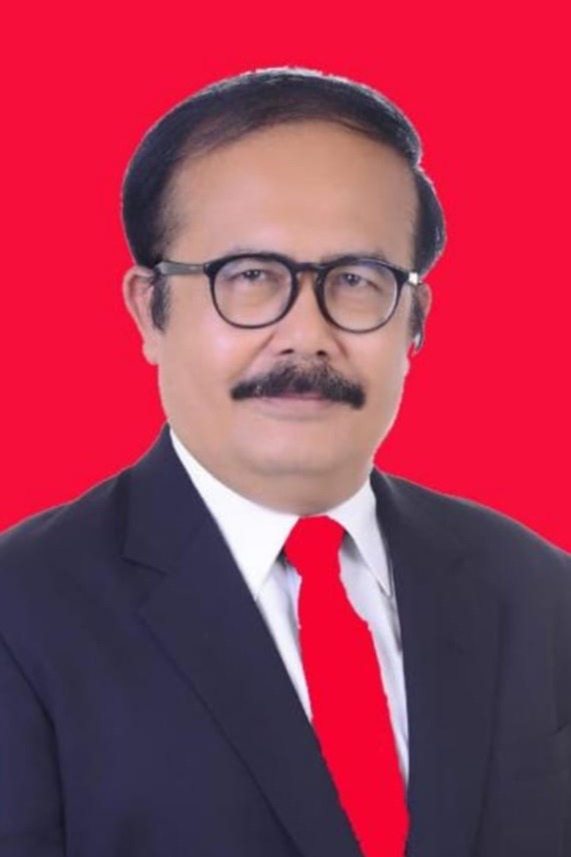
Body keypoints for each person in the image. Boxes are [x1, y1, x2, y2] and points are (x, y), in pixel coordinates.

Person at [0, 67, 569, 857]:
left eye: (356, 280)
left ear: (413, 321)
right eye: (250, 277)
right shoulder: (22, 611)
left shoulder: (537, 590)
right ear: (149, 311)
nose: (306, 335)